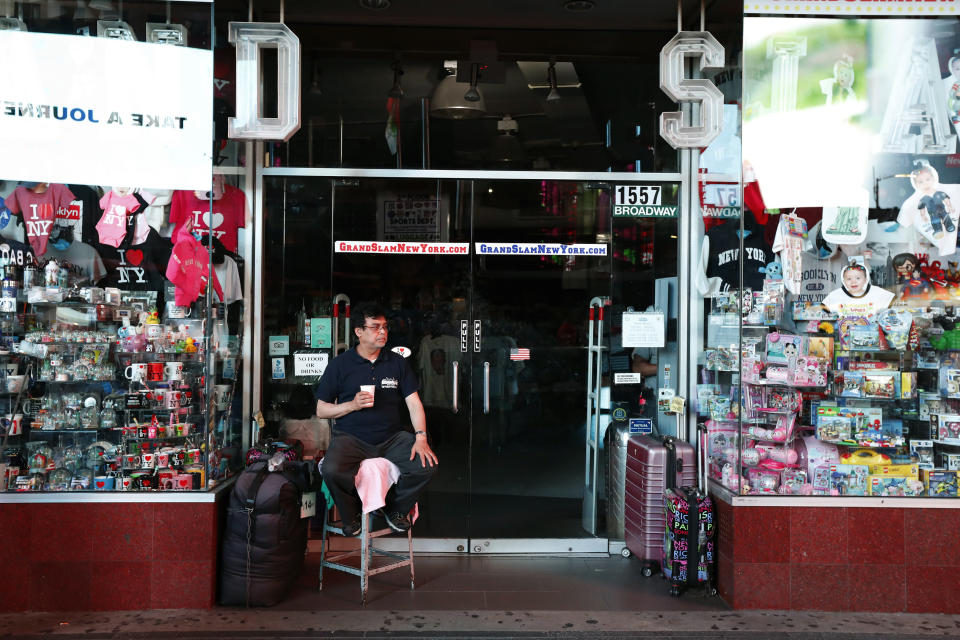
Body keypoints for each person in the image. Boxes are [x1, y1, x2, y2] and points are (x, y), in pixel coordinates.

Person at [315, 302, 438, 536]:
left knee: (426, 466)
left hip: (391, 438)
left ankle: (396, 510)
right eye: (375, 327)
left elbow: (414, 404)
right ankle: (350, 517)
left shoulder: (396, 362)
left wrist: (420, 437)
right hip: (351, 437)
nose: (382, 332)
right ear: (359, 332)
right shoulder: (340, 365)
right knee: (331, 470)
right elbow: (321, 410)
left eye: (384, 327)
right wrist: (352, 405)